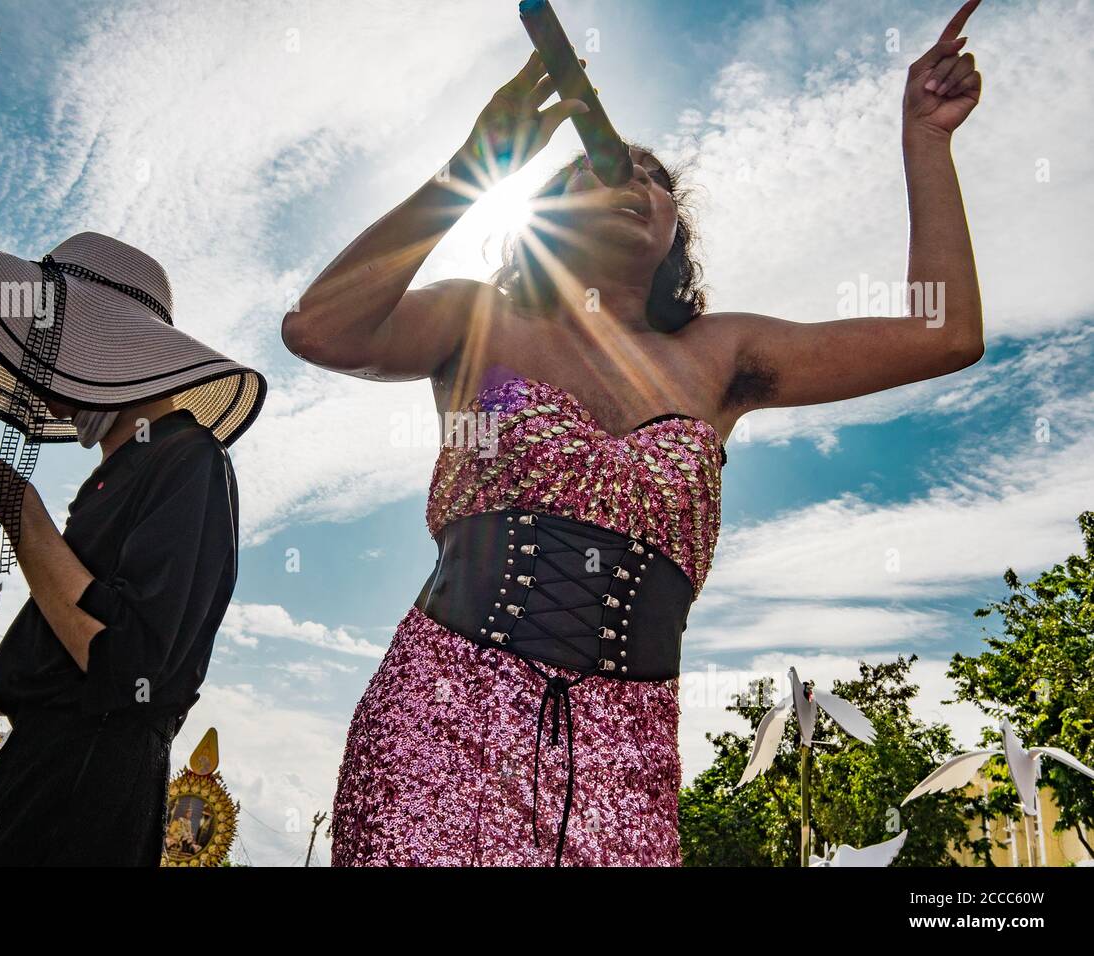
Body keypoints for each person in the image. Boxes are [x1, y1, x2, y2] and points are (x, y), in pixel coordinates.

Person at [282, 2, 985, 866]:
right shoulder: (475, 318)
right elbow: (320, 329)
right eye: (592, 174)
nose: (629, 182)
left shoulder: (721, 353)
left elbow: (942, 335)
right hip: (442, 713)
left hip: (634, 748)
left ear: (672, 233)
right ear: (539, 218)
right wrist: (469, 169)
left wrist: (927, 138)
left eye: (654, 181)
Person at [0, 226, 265, 865]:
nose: (36, 365)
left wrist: (16, 504)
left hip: (87, 801)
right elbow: (79, 641)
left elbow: (129, 661)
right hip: (36, 777)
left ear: (109, 346)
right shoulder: (113, 479)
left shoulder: (189, 461)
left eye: (49, 338)